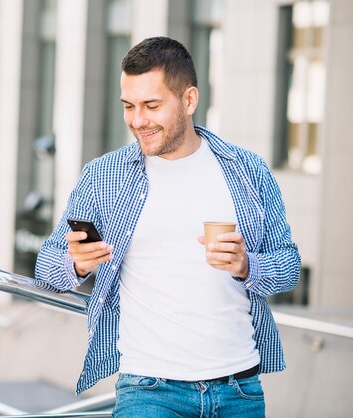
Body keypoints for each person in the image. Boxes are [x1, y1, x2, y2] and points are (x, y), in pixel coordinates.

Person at [34, 36, 300, 417]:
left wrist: (247, 267)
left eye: (151, 106)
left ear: (189, 100)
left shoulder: (248, 172)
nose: (138, 120)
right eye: (128, 106)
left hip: (239, 390)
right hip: (149, 390)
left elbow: (288, 267)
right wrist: (75, 263)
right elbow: (46, 266)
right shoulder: (103, 177)